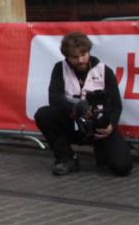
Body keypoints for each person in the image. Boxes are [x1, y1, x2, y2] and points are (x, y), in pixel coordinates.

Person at [34, 32, 133, 176]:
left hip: (98, 128)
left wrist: (111, 125)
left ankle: (104, 153)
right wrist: (78, 107)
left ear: (89, 51)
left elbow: (116, 105)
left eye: (84, 54)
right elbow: (54, 99)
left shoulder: (104, 71)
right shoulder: (59, 69)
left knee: (123, 167)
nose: (81, 60)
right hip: (72, 124)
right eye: (75, 57)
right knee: (44, 114)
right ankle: (67, 158)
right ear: (67, 57)